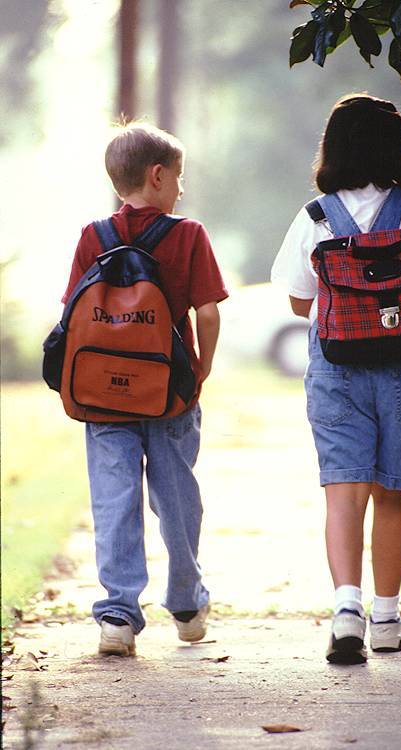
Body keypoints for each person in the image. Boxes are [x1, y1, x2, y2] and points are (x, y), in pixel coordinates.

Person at [271, 94, 401, 664]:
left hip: (337, 369)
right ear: (399, 149)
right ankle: (386, 618)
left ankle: (345, 612)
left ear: (332, 150)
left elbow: (296, 299)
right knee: (395, 493)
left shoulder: (315, 217)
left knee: (344, 493)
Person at [62, 123, 228, 656]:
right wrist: (201, 367)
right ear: (157, 176)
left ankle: (117, 615)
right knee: (176, 494)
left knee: (114, 498)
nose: (181, 187)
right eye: (178, 176)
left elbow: (72, 313)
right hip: (169, 390)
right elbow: (206, 311)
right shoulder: (189, 234)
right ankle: (184, 602)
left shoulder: (94, 236)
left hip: (103, 392)